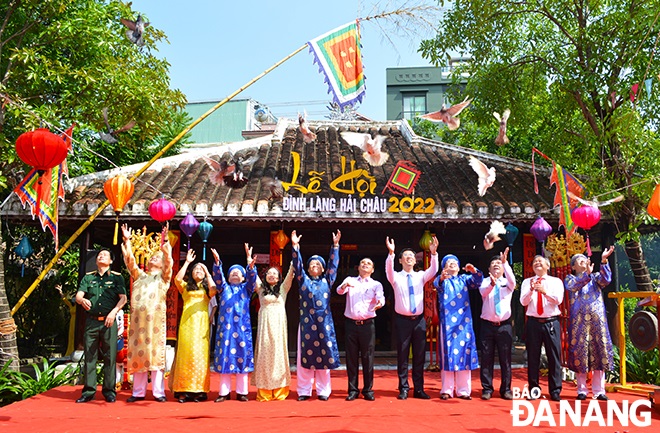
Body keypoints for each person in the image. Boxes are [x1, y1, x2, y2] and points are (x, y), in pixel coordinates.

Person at [121, 223, 172, 403]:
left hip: (155, 324)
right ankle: (138, 392)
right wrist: (127, 241)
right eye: (152, 258)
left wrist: (165, 245)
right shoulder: (140, 276)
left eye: (157, 258)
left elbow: (169, 266)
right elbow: (130, 262)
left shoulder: (163, 278)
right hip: (138, 323)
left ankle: (159, 393)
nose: (152, 260)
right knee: (138, 355)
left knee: (156, 356)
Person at [385, 235, 439, 400]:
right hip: (402, 321)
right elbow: (388, 269)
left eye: (411, 257)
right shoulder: (395, 277)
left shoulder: (420, 275)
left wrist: (434, 254)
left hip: (419, 321)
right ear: (400, 261)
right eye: (405, 257)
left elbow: (434, 270)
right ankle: (403, 388)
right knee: (402, 355)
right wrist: (391, 253)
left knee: (420, 355)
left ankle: (419, 389)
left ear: (415, 261)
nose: (409, 258)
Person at [291, 229, 341, 401]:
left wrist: (335, 247)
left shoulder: (328, 280)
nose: (314, 266)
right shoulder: (303, 280)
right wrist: (295, 247)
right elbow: (297, 267)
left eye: (317, 265)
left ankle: (323, 391)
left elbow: (333, 266)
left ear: (322, 268)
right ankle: (304, 391)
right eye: (311, 264)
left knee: (324, 358)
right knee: (304, 359)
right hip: (306, 324)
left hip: (324, 324)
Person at [74, 249, 127, 403]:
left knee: (110, 356)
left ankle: (109, 391)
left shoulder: (117, 278)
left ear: (110, 261)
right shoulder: (88, 277)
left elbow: (123, 299)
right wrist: (81, 300)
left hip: (109, 321)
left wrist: (114, 312)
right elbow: (79, 295)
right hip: (91, 321)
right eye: (99, 255)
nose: (101, 256)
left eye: (105, 255)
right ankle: (89, 391)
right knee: (90, 356)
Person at [565, 246, 615, 401]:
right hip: (579, 323)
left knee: (599, 354)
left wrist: (604, 260)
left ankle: (599, 391)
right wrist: (586, 274)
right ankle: (582, 390)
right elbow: (574, 286)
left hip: (597, 322)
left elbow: (606, 280)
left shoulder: (595, 277)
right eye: (579, 260)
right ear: (573, 266)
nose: (583, 262)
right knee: (581, 354)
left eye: (584, 259)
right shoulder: (570, 279)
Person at [211, 244, 257, 402]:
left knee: (242, 358)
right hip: (226, 330)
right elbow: (218, 278)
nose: (235, 274)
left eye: (239, 272)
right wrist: (218, 264)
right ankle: (223, 392)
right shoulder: (224, 288)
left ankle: (242, 392)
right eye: (232, 273)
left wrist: (250, 264)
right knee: (225, 357)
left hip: (242, 330)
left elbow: (252, 280)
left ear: (243, 277)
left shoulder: (247, 289)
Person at [434, 254, 483, 400]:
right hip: (447, 324)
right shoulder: (443, 280)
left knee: (464, 353)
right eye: (448, 263)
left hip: (464, 323)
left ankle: (463, 390)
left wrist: (474, 271)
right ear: (444, 267)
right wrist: (442, 277)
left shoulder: (464, 279)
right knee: (447, 355)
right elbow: (437, 284)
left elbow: (477, 281)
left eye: (454, 262)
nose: (452, 264)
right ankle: (447, 389)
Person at [172, 248, 217, 403]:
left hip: (202, 325)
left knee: (200, 356)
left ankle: (199, 390)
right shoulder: (185, 287)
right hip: (187, 324)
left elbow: (214, 289)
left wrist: (208, 272)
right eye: (196, 269)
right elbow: (177, 280)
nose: (198, 271)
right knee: (185, 355)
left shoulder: (206, 289)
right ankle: (183, 390)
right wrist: (187, 263)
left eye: (201, 269)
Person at [337, 257, 385, 401]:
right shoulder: (350, 279)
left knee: (368, 358)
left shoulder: (376, 284)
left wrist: (379, 304)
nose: (365, 265)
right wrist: (345, 286)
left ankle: (368, 390)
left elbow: (380, 297)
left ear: (373, 269)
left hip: (367, 324)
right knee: (351, 358)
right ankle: (352, 390)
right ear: (358, 267)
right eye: (363, 263)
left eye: (369, 263)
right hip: (351, 324)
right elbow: (339, 291)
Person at [520, 255, 565, 401]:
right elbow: (523, 301)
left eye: (540, 262)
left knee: (554, 356)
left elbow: (558, 300)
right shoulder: (527, 282)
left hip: (551, 321)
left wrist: (544, 292)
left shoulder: (555, 281)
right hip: (533, 322)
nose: (537, 263)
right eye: (535, 262)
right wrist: (532, 290)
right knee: (533, 357)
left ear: (547, 266)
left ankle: (555, 389)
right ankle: (534, 389)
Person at [252, 261, 295, 401]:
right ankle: (264, 391)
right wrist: (249, 263)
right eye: (269, 273)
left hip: (278, 326)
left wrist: (295, 255)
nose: (271, 275)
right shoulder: (261, 289)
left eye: (274, 274)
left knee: (278, 355)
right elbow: (253, 276)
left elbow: (290, 275)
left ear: (278, 277)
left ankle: (279, 390)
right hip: (265, 326)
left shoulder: (283, 289)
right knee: (264, 355)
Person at [478, 248, 516, 400]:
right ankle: (487, 389)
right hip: (487, 325)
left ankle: (506, 389)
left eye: (498, 263)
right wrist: (492, 285)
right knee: (486, 357)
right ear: (489, 269)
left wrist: (506, 263)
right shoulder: (485, 281)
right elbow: (483, 293)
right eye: (493, 263)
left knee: (505, 359)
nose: (496, 265)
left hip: (504, 325)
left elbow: (513, 281)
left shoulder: (507, 283)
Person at [55, 284, 76, 357]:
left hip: (78, 323)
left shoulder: (81, 306)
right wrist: (60, 291)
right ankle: (70, 351)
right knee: (71, 337)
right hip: (72, 322)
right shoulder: (72, 306)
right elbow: (65, 299)